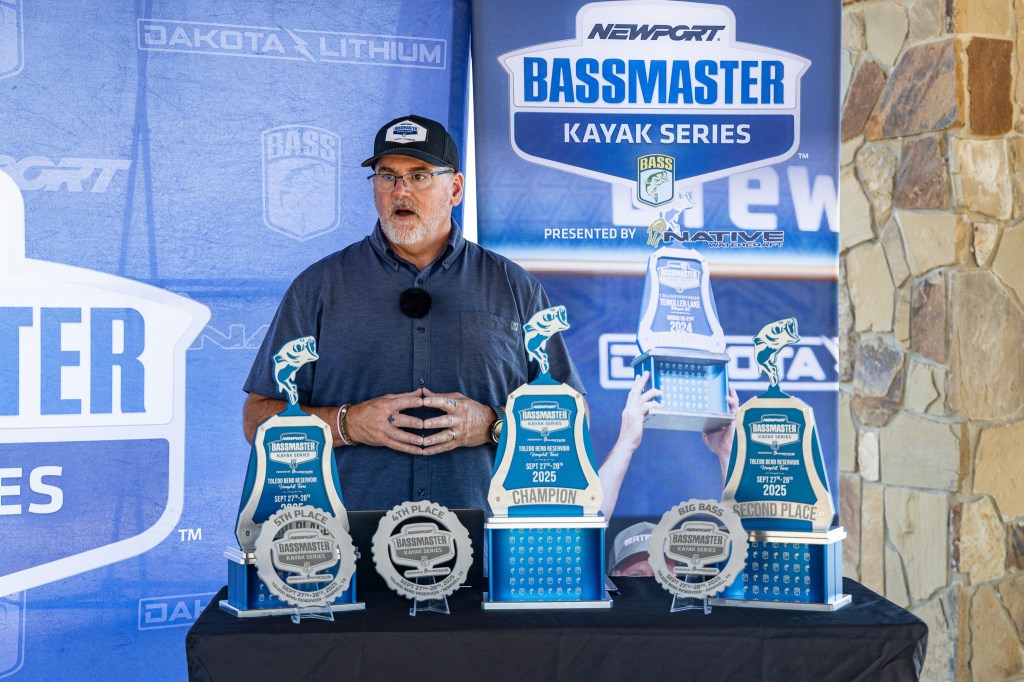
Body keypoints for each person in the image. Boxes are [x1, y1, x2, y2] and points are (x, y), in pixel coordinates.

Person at [242, 114, 584, 512]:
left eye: (419, 176)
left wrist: (494, 425)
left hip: (483, 539)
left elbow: (574, 418)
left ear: (455, 188)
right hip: (349, 543)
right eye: (387, 176)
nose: (400, 190)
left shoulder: (514, 287)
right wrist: (347, 424)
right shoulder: (317, 288)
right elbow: (256, 421)